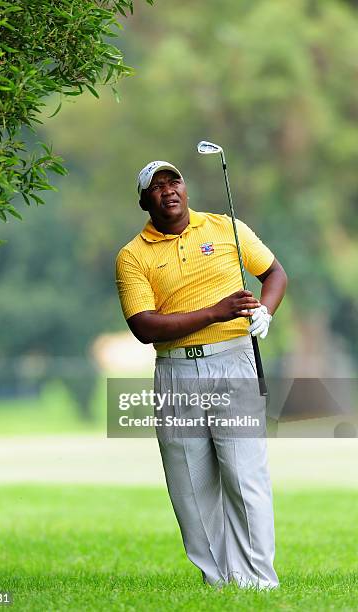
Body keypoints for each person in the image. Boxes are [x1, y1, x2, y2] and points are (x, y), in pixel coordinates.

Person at [115, 160, 287, 589]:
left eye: (174, 181)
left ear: (185, 188)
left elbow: (274, 273)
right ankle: (218, 580)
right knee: (191, 486)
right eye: (156, 187)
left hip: (233, 360)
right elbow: (143, 325)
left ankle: (258, 580)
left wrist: (265, 310)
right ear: (143, 201)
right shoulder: (132, 256)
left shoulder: (225, 227)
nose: (168, 190)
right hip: (175, 370)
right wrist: (215, 311)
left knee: (244, 475)